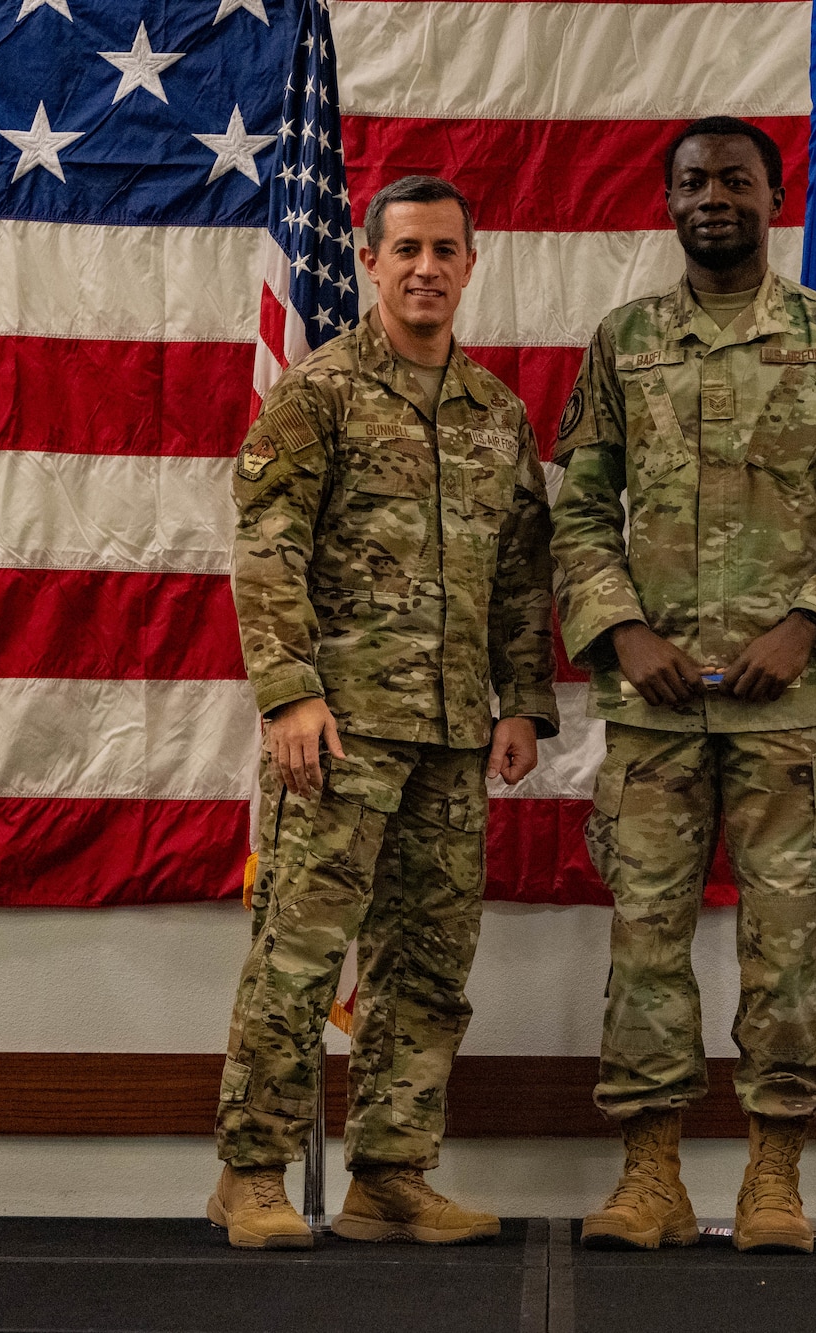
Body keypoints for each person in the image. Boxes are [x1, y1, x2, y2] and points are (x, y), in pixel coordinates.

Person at [552, 116, 816, 1255]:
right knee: (645, 939)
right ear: (668, 200)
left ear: (774, 196)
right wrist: (619, 632)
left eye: (737, 180)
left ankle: (774, 1175)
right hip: (655, 711)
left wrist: (807, 625)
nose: (715, 196)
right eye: (695, 180)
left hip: (790, 713)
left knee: (787, 945)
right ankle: (649, 1173)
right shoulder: (625, 341)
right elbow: (575, 511)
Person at [207, 175, 559, 1249]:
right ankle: (250, 1173)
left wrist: (522, 704)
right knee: (298, 956)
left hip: (455, 736)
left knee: (427, 963)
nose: (425, 269)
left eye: (444, 250)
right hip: (339, 729)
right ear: (370, 259)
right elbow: (267, 547)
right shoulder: (320, 393)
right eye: (404, 249)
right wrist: (290, 693)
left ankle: (389, 1173)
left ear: (468, 262)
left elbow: (520, 573)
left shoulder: (496, 413)